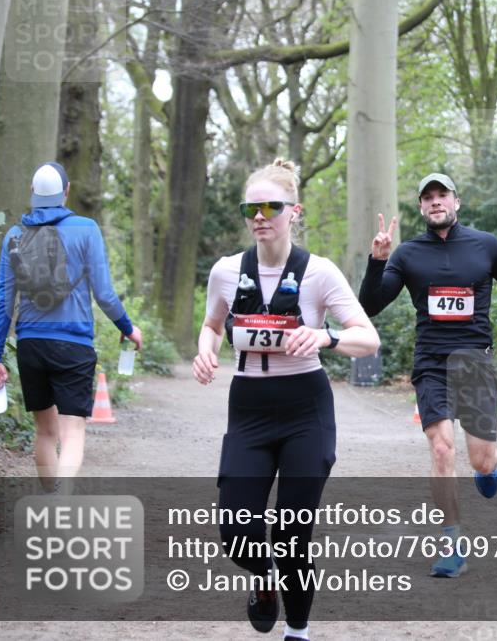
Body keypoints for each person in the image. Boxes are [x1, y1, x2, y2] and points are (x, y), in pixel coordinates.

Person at [193, 158, 379, 640]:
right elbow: (213, 325)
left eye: (270, 206)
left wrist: (325, 338)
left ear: (293, 211)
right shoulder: (227, 271)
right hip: (249, 407)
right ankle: (265, 580)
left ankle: (298, 630)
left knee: (292, 536)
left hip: (305, 409)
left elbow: (369, 338)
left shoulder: (319, 273)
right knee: (236, 532)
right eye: (250, 207)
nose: (259, 216)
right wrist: (204, 352)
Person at [359, 172, 497, 578]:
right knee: (441, 449)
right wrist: (378, 261)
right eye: (428, 197)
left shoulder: (485, 245)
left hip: (474, 362)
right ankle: (452, 544)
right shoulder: (407, 254)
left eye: (443, 195)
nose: (436, 202)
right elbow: (370, 306)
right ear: (421, 207)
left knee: (482, 461)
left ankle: (490, 469)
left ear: (456, 203)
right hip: (431, 364)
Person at [0, 162, 142, 493]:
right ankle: (62, 501)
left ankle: (49, 498)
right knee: (72, 431)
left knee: (44, 432)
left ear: (32, 193)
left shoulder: (14, 236)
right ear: (66, 191)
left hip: (30, 345)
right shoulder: (86, 229)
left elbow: (4, 301)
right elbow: (104, 294)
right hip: (74, 345)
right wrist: (127, 327)